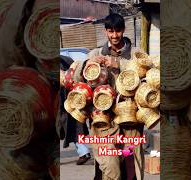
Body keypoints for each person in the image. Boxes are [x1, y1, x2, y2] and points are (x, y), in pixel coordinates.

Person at [73, 13, 145, 180]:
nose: (114, 35)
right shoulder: (96, 53)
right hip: (103, 120)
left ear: (123, 30)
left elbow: (146, 78)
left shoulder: (136, 53)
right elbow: (77, 80)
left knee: (130, 164)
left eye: (118, 31)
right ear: (106, 31)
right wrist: (86, 65)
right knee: (109, 165)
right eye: (110, 31)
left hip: (130, 119)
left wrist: (119, 64)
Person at [58, 55, 91, 165]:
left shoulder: (66, 60)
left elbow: (76, 75)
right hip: (68, 101)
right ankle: (83, 152)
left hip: (69, 101)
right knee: (72, 128)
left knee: (73, 128)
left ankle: (84, 152)